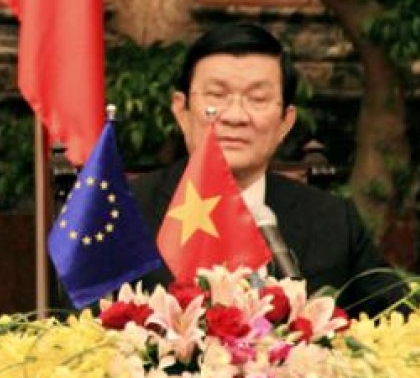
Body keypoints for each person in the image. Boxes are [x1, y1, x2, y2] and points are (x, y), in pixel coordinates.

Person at [130, 22, 403, 314]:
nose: (235, 116)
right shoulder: (125, 211)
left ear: (285, 122)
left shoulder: (332, 220)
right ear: (181, 111)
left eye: (258, 99)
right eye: (217, 96)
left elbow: (399, 321)